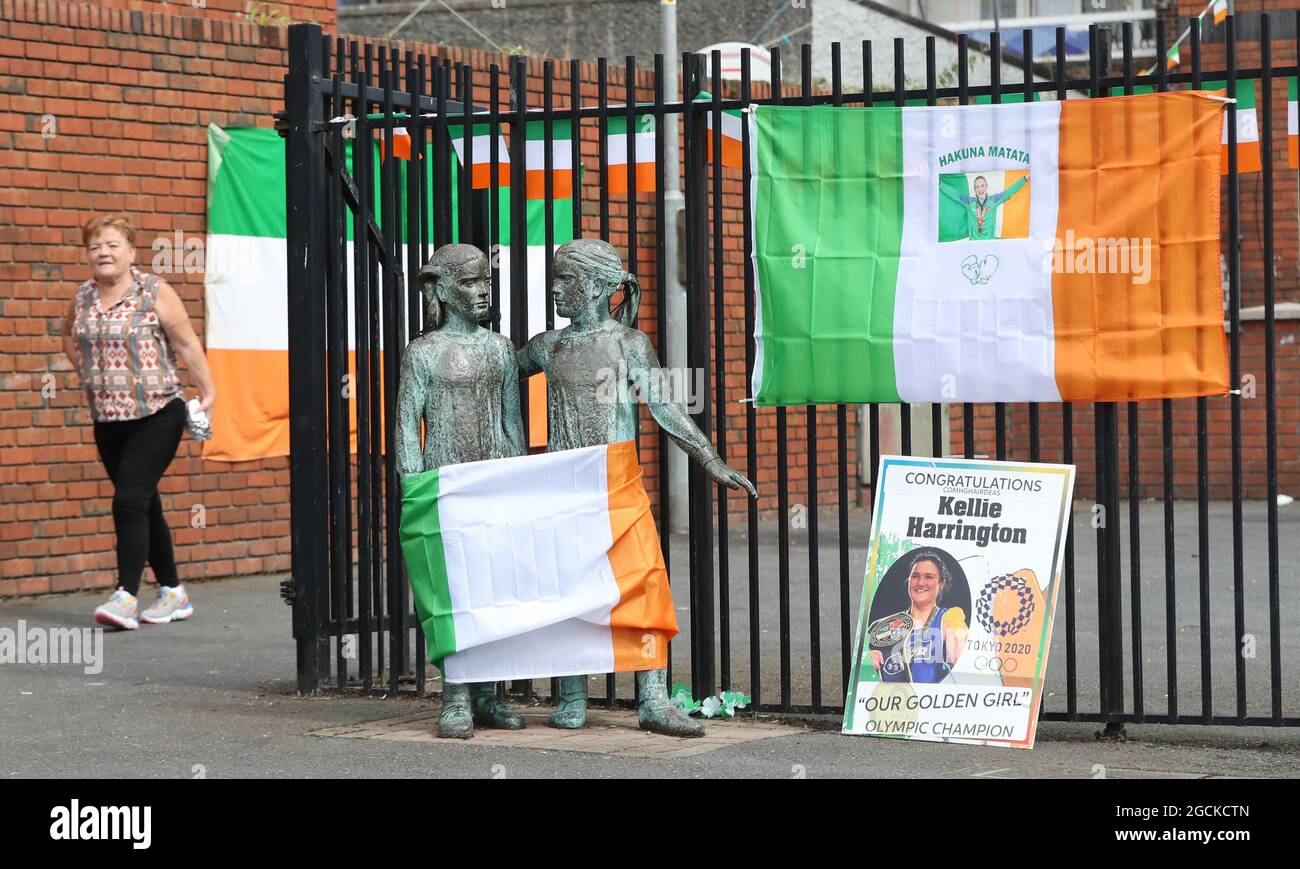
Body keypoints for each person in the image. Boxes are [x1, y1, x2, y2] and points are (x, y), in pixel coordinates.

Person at [518, 238, 756, 737]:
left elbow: (666, 408)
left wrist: (709, 458)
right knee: (570, 591)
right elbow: (498, 370)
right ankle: (572, 696)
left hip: (615, 480)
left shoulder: (628, 344)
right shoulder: (548, 345)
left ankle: (652, 696)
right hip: (563, 483)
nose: (556, 289)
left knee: (643, 584)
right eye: (556, 279)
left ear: (602, 287)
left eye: (567, 280)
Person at [395, 243, 526, 739]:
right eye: (470, 282)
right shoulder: (422, 352)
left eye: (484, 280)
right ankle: (454, 697)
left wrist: (518, 478)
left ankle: (489, 694)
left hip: (494, 482)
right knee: (450, 592)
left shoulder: (498, 348)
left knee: (494, 589)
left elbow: (513, 422)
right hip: (444, 484)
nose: (482, 289)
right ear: (443, 290)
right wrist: (414, 488)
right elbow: (407, 426)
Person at [63, 214, 215, 630]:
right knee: (144, 500)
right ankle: (172, 593)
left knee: (128, 499)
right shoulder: (82, 297)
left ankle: (126, 596)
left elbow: (186, 342)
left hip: (158, 412)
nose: (103, 253)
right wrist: (92, 377)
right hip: (108, 418)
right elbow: (70, 338)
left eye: (112, 244)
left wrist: (209, 393)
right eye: (95, 246)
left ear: (131, 251)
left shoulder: (154, 291)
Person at [871, 549, 969, 683]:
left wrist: (959, 633)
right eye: (915, 576)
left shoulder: (947, 619)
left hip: (931, 701)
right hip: (892, 699)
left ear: (941, 584)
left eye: (929, 577)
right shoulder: (892, 624)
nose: (920, 583)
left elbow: (963, 666)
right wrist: (871, 660)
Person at [941, 172, 1029, 240]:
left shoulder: (994, 200)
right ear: (975, 190)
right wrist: (940, 185)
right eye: (977, 187)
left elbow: (1009, 192)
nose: (980, 189)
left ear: (986, 187)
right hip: (973, 245)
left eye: (982, 186)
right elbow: (955, 195)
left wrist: (1025, 178)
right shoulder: (969, 201)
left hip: (990, 245)